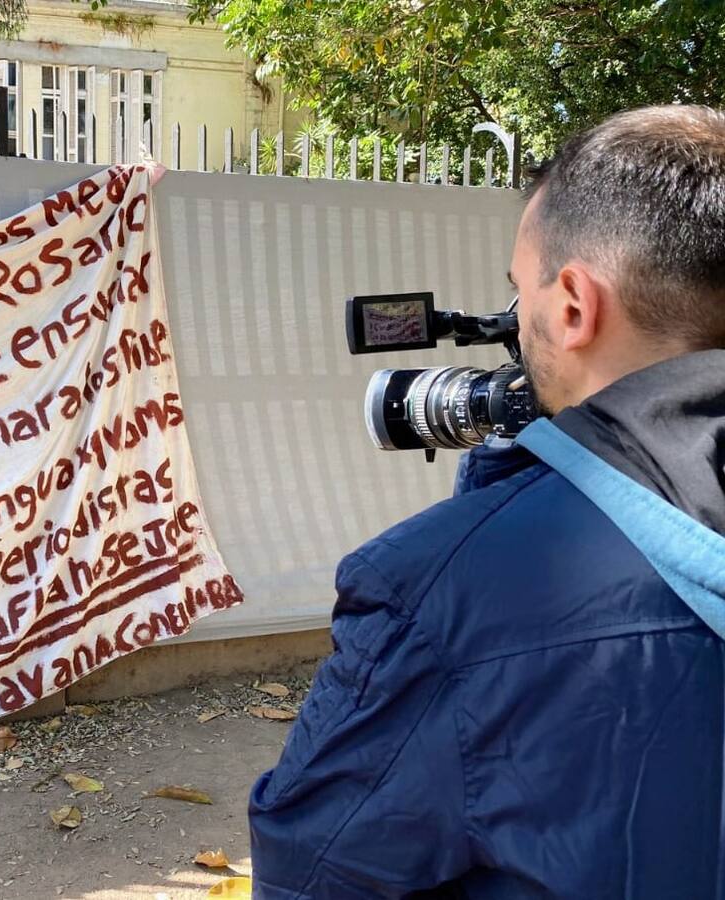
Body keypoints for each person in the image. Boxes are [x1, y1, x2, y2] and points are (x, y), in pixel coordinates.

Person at [249, 104, 725, 899]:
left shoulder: (434, 594)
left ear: (573, 305)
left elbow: (315, 875)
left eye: (519, 295)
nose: (515, 326)